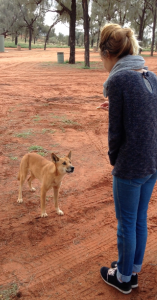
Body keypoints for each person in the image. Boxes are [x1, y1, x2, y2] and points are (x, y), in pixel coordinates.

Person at [99, 23, 157, 294]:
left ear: (107, 54)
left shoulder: (118, 80)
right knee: (140, 219)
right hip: (151, 162)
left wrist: (114, 160)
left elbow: (115, 134)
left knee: (126, 224)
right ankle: (132, 270)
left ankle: (122, 279)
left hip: (130, 166)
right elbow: (147, 113)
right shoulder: (150, 76)